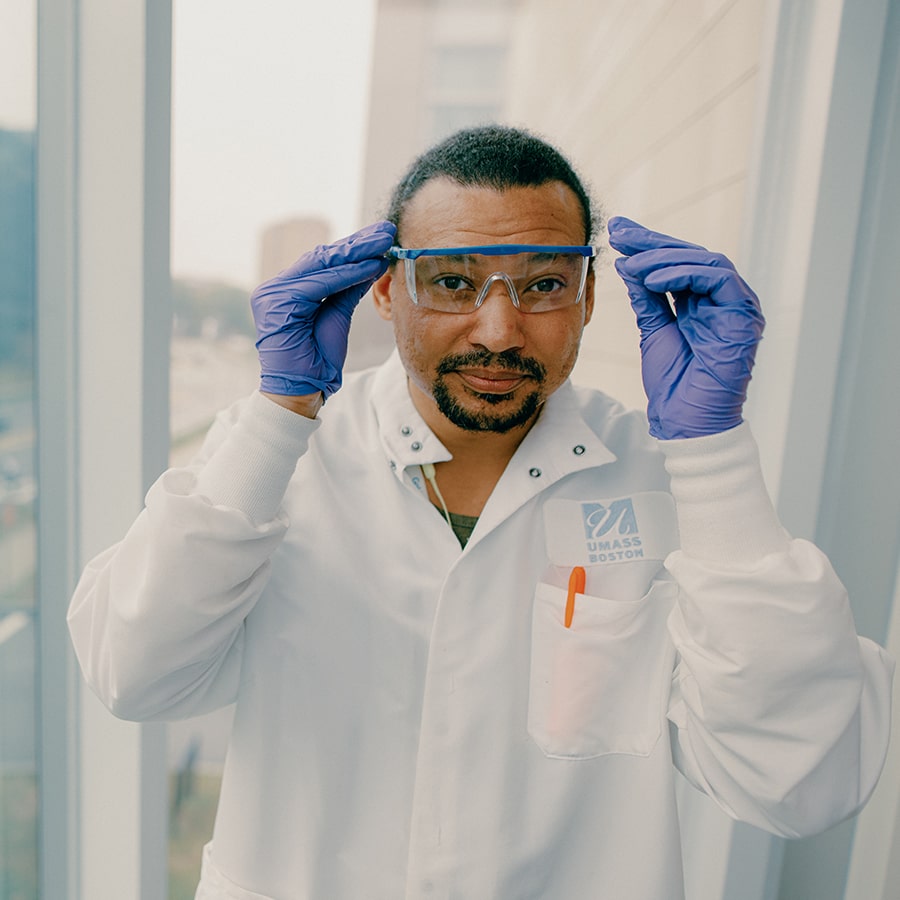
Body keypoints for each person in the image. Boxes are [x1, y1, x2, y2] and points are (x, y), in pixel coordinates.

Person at [68, 125, 893, 900]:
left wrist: (713, 450)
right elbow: (133, 673)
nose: (498, 331)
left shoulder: (670, 481)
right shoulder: (275, 461)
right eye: (454, 281)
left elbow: (800, 781)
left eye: (542, 285)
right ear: (387, 290)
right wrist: (280, 409)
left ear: (589, 297)